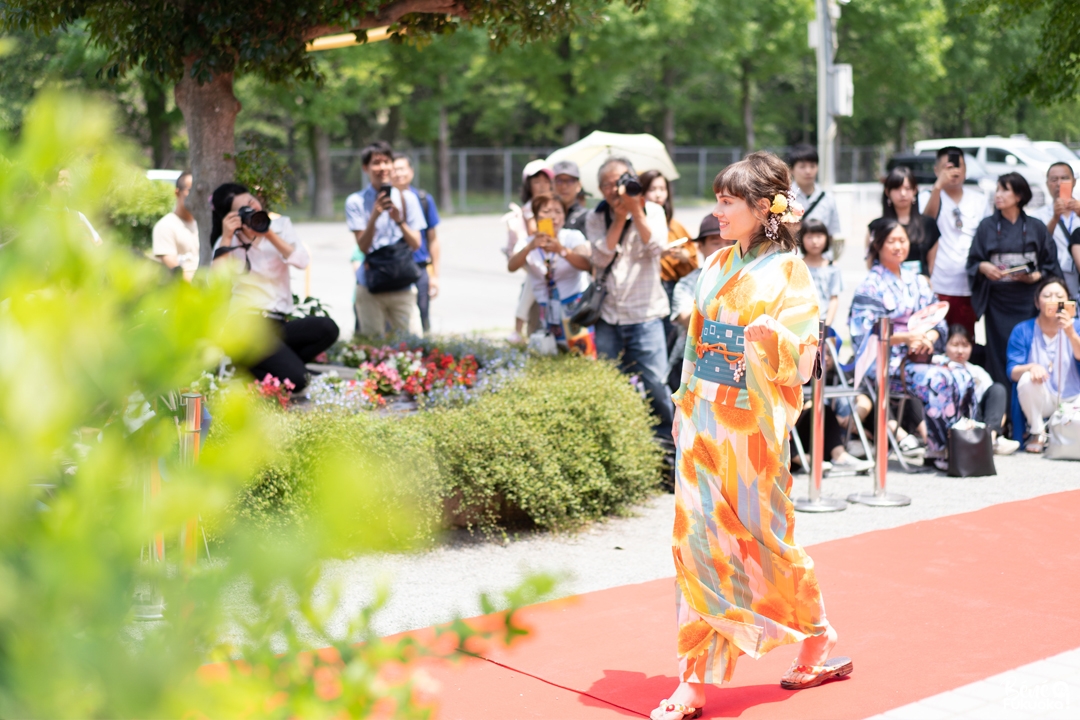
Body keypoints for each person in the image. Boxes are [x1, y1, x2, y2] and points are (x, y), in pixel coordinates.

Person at [653, 152, 851, 720]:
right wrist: (683, 401)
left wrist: (769, 339)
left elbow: (804, 358)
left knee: (764, 542)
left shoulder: (790, 271)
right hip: (703, 422)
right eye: (717, 199)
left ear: (763, 208)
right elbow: (694, 342)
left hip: (752, 427)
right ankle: (691, 680)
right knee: (695, 543)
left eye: (728, 201)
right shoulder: (715, 265)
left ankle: (817, 633)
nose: (717, 210)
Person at [849, 218, 975, 471]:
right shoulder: (870, 284)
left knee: (962, 373)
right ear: (878, 246)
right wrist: (907, 338)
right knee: (938, 380)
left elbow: (938, 322)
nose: (898, 246)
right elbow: (865, 333)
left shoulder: (917, 280)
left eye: (902, 240)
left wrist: (928, 338)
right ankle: (939, 446)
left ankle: (962, 443)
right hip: (888, 361)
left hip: (919, 355)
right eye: (891, 241)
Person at [210, 182, 338, 392]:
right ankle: (277, 368)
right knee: (298, 379)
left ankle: (245, 367)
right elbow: (215, 284)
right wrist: (226, 236)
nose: (254, 209)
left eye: (253, 201)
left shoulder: (281, 226)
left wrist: (268, 233)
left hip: (277, 324)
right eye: (245, 210)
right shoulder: (228, 242)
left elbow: (301, 261)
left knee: (326, 328)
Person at [585, 157, 674, 442]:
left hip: (645, 314)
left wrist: (636, 212)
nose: (615, 189)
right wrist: (620, 219)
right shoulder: (596, 216)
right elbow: (599, 257)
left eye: (621, 181)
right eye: (608, 184)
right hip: (608, 315)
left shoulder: (653, 211)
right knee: (610, 384)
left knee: (656, 385)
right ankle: (622, 442)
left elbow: (657, 247)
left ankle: (665, 447)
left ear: (632, 182)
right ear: (600, 189)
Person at [967, 172, 1060, 388]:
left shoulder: (1036, 227)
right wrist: (984, 266)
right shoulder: (986, 226)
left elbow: (1050, 264)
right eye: (997, 190)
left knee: (1028, 350)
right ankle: (1003, 409)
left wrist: (1036, 276)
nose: (998, 195)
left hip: (1028, 301)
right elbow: (973, 261)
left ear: (1019, 195)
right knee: (998, 352)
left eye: (1004, 190)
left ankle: (1029, 400)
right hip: (998, 303)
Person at [345, 141, 426, 338]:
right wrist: (374, 215)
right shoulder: (355, 202)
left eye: (386, 162)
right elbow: (363, 247)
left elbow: (416, 244)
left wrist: (399, 221)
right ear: (366, 167)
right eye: (376, 163)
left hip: (402, 283)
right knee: (373, 346)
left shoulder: (408, 198)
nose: (382, 168)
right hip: (371, 285)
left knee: (413, 343)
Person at [507, 194, 593, 350]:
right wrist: (529, 247)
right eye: (546, 211)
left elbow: (586, 264)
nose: (553, 216)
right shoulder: (527, 243)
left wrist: (562, 250)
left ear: (564, 216)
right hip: (545, 312)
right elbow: (511, 266)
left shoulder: (572, 237)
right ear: (536, 215)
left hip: (574, 309)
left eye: (558, 211)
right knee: (548, 354)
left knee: (582, 353)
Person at [923, 147, 991, 337]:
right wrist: (938, 187)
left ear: (966, 169)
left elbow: (987, 238)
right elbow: (926, 224)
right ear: (937, 170)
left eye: (958, 166)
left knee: (963, 342)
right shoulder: (927, 197)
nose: (954, 171)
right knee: (935, 341)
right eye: (948, 166)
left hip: (968, 286)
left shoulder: (979, 200)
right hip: (937, 286)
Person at [1006, 276, 1080, 452]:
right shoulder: (1023, 329)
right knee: (1025, 380)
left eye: (1059, 296)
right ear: (1037, 302)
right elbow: (1012, 371)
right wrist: (1031, 367)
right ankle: (1037, 432)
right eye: (1047, 296)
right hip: (1043, 397)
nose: (1053, 300)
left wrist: (1070, 333)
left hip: (1074, 396)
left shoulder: (1076, 326)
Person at [668, 214, 732, 390]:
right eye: (715, 243)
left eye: (728, 243)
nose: (723, 248)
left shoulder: (748, 279)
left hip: (734, 362)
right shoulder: (688, 283)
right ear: (700, 247)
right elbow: (687, 319)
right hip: (692, 361)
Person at [939, 324, 1019, 454]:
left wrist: (995, 424)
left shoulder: (977, 371)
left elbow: (996, 406)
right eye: (955, 345)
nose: (960, 351)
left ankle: (989, 440)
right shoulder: (938, 367)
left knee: (998, 389)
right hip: (951, 418)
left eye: (965, 346)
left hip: (977, 419)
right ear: (945, 345)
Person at [505, 159, 556, 342]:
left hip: (553, 262)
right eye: (536, 182)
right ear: (528, 185)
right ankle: (519, 330)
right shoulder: (528, 209)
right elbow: (536, 232)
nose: (542, 186)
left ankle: (518, 329)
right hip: (536, 260)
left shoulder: (556, 204)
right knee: (533, 283)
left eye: (545, 181)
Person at [392, 154, 441, 334]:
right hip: (394, 267)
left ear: (411, 172)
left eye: (401, 169)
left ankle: (425, 350)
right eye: (394, 170)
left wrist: (434, 275)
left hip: (419, 266)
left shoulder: (423, 199)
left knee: (424, 313)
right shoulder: (382, 202)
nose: (398, 174)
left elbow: (433, 239)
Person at [866, 166, 939, 276]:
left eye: (908, 188)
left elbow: (930, 264)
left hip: (919, 288)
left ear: (915, 190)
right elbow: (870, 263)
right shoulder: (876, 227)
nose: (903, 193)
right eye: (897, 188)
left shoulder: (928, 225)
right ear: (887, 192)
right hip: (886, 288)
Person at [1032, 162, 1080, 299]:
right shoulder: (1038, 216)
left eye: (1064, 178)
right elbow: (1039, 245)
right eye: (1054, 179)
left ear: (1074, 181)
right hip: (1054, 280)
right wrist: (1054, 218)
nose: (1059, 184)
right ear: (1047, 184)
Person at [788, 145, 842, 256]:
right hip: (792, 259)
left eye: (812, 166)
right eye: (802, 167)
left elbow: (833, 233)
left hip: (821, 261)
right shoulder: (783, 199)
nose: (808, 171)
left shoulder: (828, 199)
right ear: (791, 169)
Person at [152, 170, 199, 281]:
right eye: (190, 190)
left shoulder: (203, 225)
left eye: (198, 191)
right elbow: (175, 271)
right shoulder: (165, 226)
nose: (196, 196)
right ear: (177, 193)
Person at [797, 220, 841, 327]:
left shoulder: (832, 267)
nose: (815, 241)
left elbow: (834, 298)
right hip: (801, 323)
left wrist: (827, 324)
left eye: (819, 236)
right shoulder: (798, 265)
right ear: (801, 238)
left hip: (824, 323)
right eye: (809, 237)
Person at [552, 160, 589, 233]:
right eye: (559, 181)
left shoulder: (586, 217)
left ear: (579, 185)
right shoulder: (545, 214)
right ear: (552, 184)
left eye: (570, 181)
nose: (564, 186)